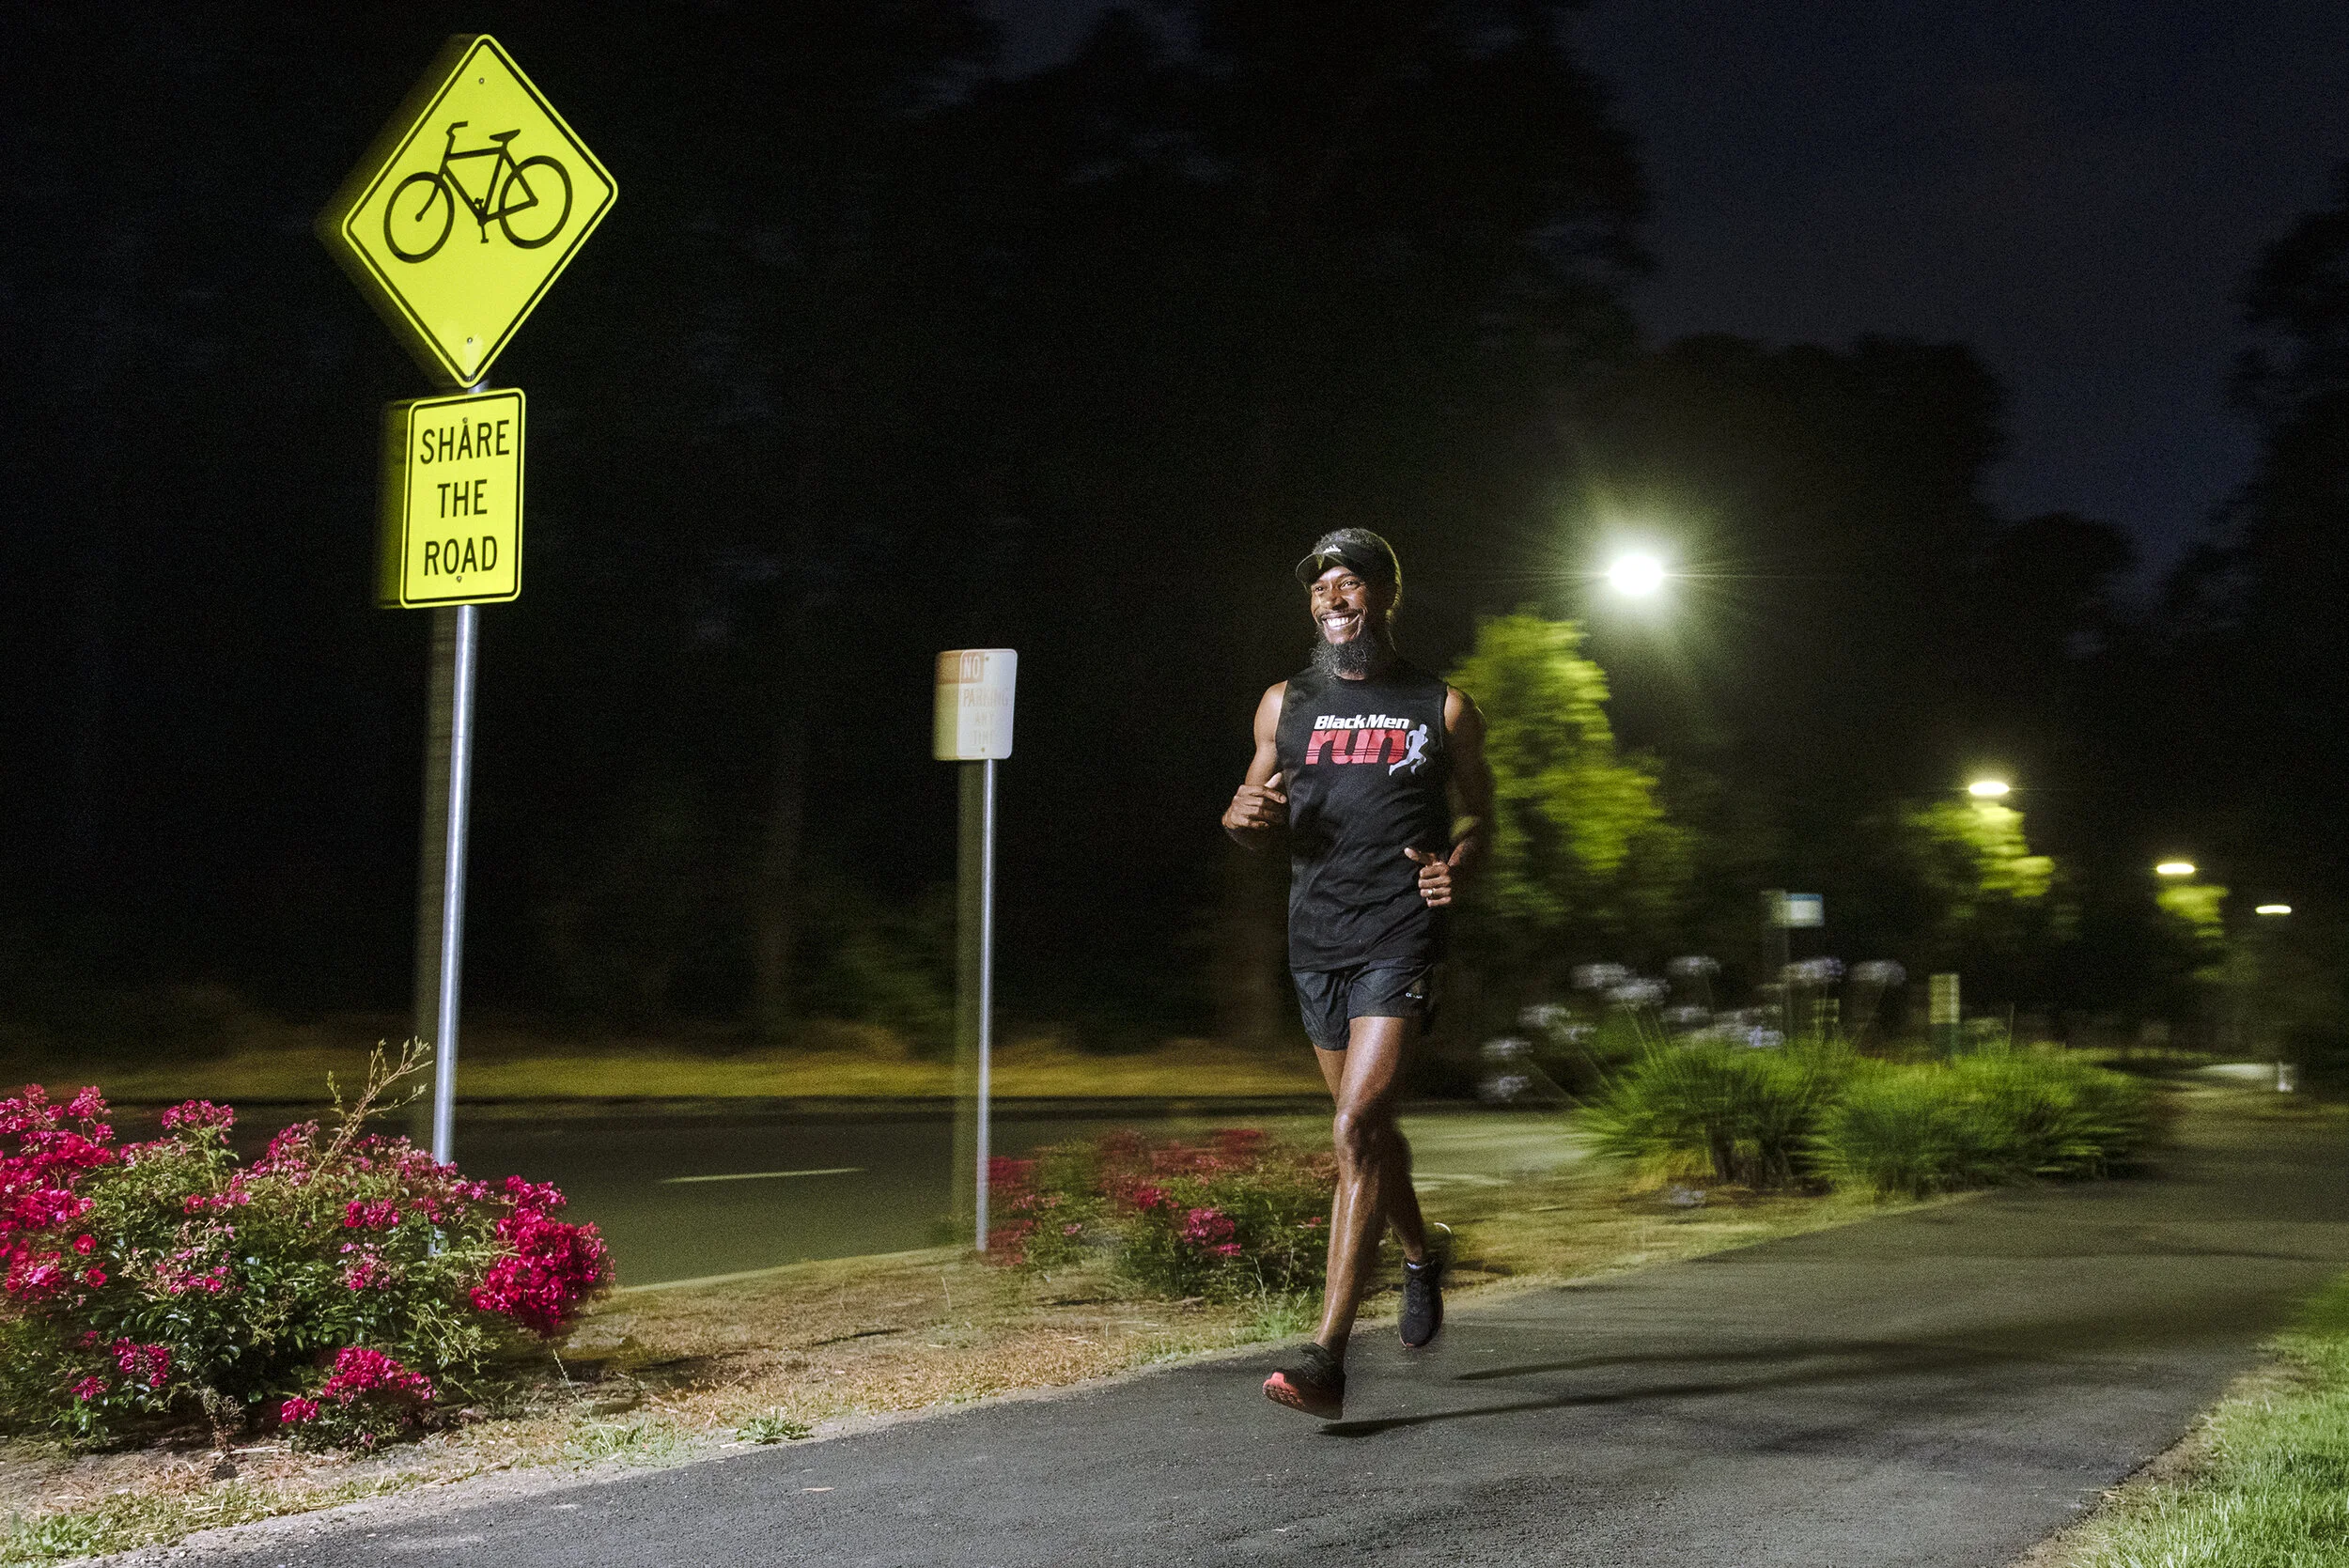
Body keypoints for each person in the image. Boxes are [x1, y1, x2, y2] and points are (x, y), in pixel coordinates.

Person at [1220, 527, 1493, 1419]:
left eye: (1349, 583)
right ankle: (1420, 1254)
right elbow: (1250, 807)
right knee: (1366, 1134)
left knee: (1355, 1125)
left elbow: (1482, 817)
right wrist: (1242, 817)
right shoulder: (1284, 702)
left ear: (1383, 596)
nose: (1331, 598)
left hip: (1399, 933)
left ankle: (1326, 1358)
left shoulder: (1442, 707)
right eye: (1319, 587)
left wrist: (1458, 865)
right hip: (1317, 939)